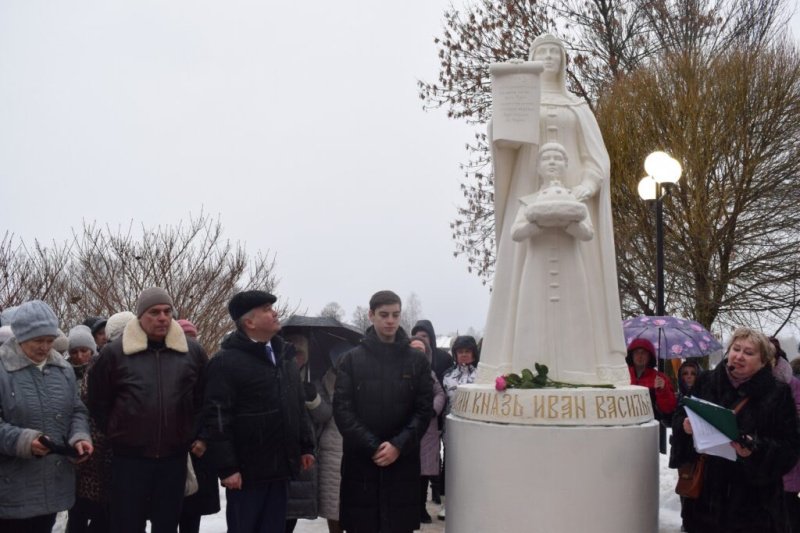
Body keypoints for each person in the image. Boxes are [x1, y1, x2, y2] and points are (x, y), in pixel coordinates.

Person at [478, 33, 628, 387]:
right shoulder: (525, 101)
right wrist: (506, 100)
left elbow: (596, 159)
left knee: (581, 288)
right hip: (529, 195)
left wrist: (585, 189)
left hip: (573, 202)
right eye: (541, 51)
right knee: (523, 284)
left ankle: (587, 366)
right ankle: (512, 360)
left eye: (554, 52)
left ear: (563, 61)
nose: (548, 57)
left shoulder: (577, 107)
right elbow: (504, 142)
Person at [87, 287, 207, 533]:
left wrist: (191, 434)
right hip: (129, 461)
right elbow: (98, 403)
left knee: (166, 525)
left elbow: (203, 400)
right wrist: (118, 432)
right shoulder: (114, 353)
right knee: (127, 525)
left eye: (167, 311)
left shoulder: (192, 352)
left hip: (173, 460)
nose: (162, 317)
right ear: (141, 316)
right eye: (154, 312)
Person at [203, 290, 315, 533]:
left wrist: (306, 445)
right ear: (249, 322)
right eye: (266, 309)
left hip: (280, 468)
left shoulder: (285, 357)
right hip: (247, 474)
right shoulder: (225, 362)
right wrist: (228, 468)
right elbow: (217, 418)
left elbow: (297, 404)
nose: (275, 312)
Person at [671, 328, 800, 532]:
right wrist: (685, 426)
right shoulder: (706, 382)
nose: (739, 356)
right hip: (707, 501)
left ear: (763, 361)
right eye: (736, 349)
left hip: (755, 507)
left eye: (749, 353)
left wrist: (755, 448)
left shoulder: (778, 393)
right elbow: (680, 416)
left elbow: (790, 448)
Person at [333, 290, 433, 533]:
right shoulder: (351, 360)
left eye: (395, 315)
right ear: (371, 315)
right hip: (362, 462)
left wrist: (398, 445)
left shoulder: (417, 361)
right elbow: (343, 411)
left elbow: (423, 410)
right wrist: (374, 445)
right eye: (384, 314)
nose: (390, 321)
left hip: (403, 461)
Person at [0, 300, 93, 533]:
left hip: (53, 485)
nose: (45, 347)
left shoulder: (63, 370)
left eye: (50, 341)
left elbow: (77, 410)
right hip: (10, 488)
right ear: (20, 336)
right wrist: (23, 441)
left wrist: (79, 437)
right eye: (37, 341)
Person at [409, 320, 452, 505]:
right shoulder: (403, 368)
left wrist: (432, 410)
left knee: (430, 462)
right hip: (408, 423)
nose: (421, 339)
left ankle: (433, 495)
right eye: (417, 336)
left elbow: (440, 392)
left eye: (424, 336)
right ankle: (415, 503)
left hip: (431, 422)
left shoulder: (437, 364)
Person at [316, 342, 351, 533]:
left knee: (354, 502)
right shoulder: (325, 380)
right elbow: (323, 414)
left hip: (355, 443)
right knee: (332, 502)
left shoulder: (362, 378)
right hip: (331, 445)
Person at [626, 338, 677, 421]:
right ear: (631, 355)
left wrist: (663, 390)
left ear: (650, 356)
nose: (640, 356)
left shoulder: (660, 378)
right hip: (627, 423)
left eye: (644, 353)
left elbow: (669, 409)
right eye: (636, 352)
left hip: (650, 425)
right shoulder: (623, 374)